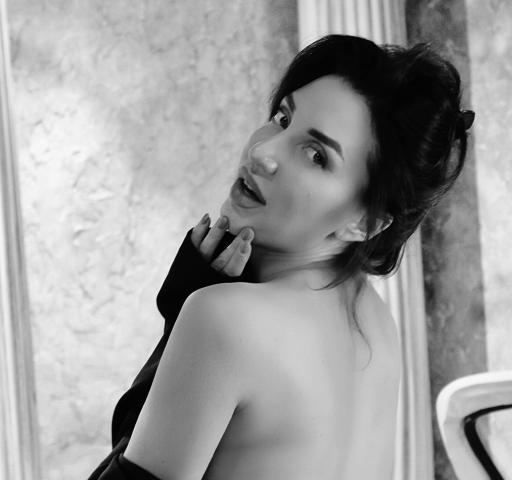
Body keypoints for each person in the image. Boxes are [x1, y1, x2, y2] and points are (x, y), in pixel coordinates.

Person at [89, 34, 474, 480]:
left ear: (366, 222)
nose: (262, 153)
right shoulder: (378, 327)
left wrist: (181, 308)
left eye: (315, 155)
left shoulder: (223, 319)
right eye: (282, 118)